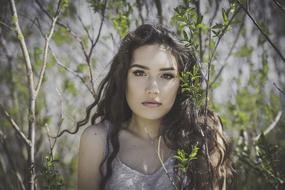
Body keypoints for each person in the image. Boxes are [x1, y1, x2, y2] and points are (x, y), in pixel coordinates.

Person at [77, 24, 233, 190]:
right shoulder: (98, 140)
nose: (152, 89)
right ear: (123, 78)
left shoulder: (204, 139)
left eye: (166, 75)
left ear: (181, 85)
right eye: (140, 73)